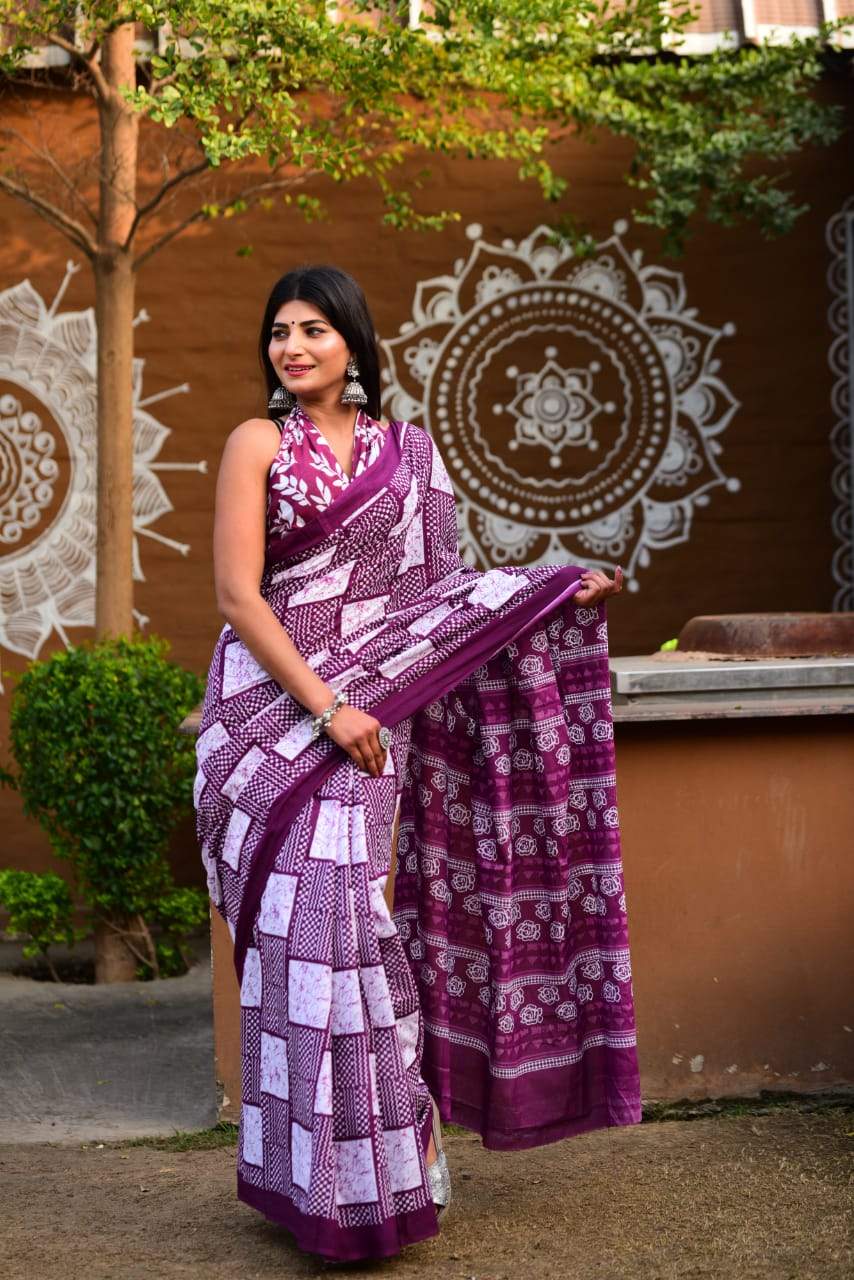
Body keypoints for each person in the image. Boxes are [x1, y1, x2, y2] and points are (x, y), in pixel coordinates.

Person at [194, 264, 641, 1263]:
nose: (294, 345)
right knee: (304, 945)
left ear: (353, 341)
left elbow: (440, 605)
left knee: (357, 938)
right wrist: (327, 707)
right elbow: (236, 595)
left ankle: (382, 1178)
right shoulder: (257, 443)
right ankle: (312, 1184)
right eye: (279, 331)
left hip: (375, 720)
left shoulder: (412, 457)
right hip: (271, 722)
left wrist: (553, 590)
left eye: (314, 328)